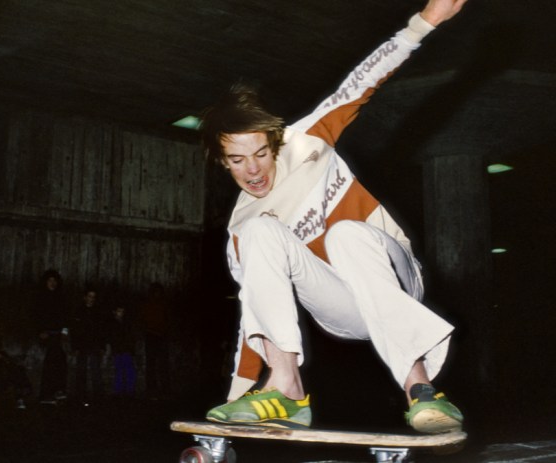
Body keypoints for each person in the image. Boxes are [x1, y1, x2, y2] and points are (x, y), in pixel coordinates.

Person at [200, 0, 468, 434]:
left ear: (274, 143)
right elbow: (255, 311)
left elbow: (360, 83)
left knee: (345, 235)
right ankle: (286, 389)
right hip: (342, 309)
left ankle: (420, 390)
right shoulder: (239, 227)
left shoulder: (307, 140)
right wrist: (235, 397)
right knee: (259, 232)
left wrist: (425, 23)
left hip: (393, 277)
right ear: (222, 161)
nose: (253, 171)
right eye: (237, 160)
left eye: (261, 154)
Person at [34, 269, 69, 405]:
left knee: (60, 359)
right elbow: (35, 317)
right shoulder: (41, 298)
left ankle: (57, 390)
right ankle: (46, 394)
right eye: (50, 280)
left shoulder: (60, 298)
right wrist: (40, 331)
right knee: (52, 359)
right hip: (46, 334)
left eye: (55, 281)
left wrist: (65, 331)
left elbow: (66, 316)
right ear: (45, 282)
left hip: (57, 334)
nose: (53, 283)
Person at [69, 286, 108, 405]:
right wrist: (75, 347)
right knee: (81, 370)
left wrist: (102, 346)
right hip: (82, 346)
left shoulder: (98, 312)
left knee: (96, 370)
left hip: (94, 345)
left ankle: (98, 397)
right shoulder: (78, 311)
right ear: (85, 297)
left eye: (93, 297)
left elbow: (102, 331)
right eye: (89, 296)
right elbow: (74, 331)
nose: (91, 299)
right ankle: (81, 396)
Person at [108, 304, 137, 398]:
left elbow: (130, 336)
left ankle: (129, 390)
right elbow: (113, 338)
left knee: (129, 370)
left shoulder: (126, 323)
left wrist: (131, 348)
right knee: (119, 371)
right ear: (115, 312)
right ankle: (119, 391)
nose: (121, 314)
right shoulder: (113, 324)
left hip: (126, 350)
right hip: (119, 350)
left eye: (122, 311)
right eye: (119, 311)